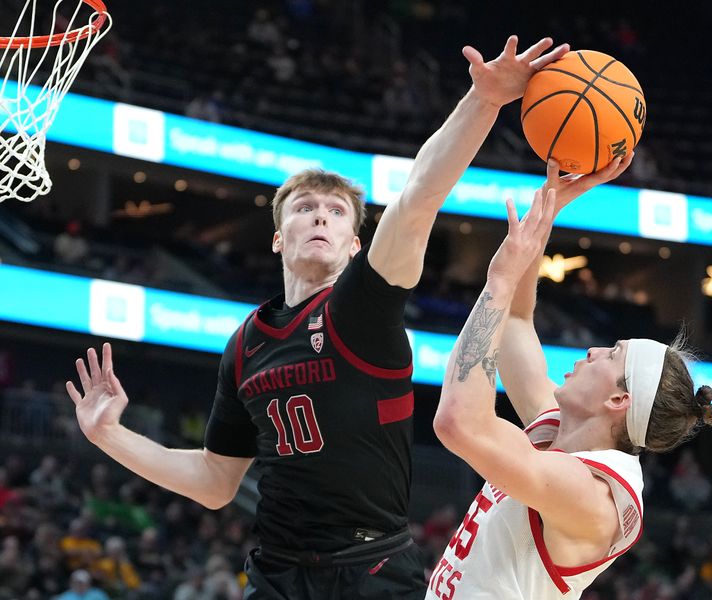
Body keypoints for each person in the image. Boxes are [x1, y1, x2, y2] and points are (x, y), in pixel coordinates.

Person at [66, 35, 570, 599]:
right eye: (305, 209)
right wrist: (109, 435)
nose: (320, 218)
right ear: (280, 238)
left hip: (370, 569)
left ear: (356, 246)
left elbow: (419, 197)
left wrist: (485, 100)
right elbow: (214, 482)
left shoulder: (362, 305)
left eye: (336, 212)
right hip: (278, 573)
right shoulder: (246, 343)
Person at [428, 158, 712, 600]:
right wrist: (547, 213)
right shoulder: (562, 435)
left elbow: (458, 422)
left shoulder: (593, 499)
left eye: (612, 353)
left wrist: (500, 280)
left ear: (619, 399)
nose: (592, 351)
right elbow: (518, 323)